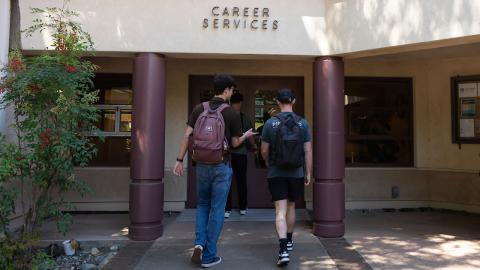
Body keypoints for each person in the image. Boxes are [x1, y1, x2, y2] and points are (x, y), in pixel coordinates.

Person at [173, 74, 257, 268]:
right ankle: (209, 255)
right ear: (226, 90)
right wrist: (245, 135)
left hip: (201, 165)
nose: (232, 93)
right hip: (221, 165)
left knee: (202, 204)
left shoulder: (198, 109)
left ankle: (198, 243)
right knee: (217, 208)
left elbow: (187, 136)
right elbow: (235, 143)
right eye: (232, 90)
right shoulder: (231, 113)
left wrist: (179, 160)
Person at [260, 88, 312, 267]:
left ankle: (282, 250)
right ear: (294, 101)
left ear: (277, 102)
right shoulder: (303, 124)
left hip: (276, 172)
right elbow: (308, 151)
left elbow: (264, 150)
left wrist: (267, 162)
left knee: (279, 211)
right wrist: (308, 172)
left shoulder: (270, 124)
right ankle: (289, 241)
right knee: (291, 206)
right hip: (296, 172)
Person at [225, 91, 257, 218]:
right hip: (241, 154)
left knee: (227, 181)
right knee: (241, 180)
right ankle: (243, 207)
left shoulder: (225, 116)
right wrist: (254, 147)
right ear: (239, 103)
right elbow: (250, 137)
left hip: (227, 154)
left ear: (230, 102)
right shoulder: (244, 118)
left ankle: (226, 209)